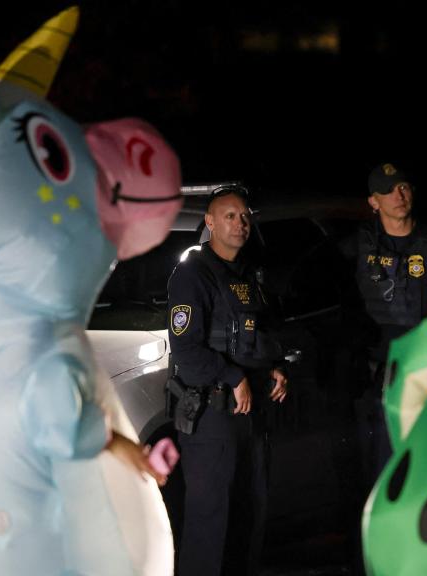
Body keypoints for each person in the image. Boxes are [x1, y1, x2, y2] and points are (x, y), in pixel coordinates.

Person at [166, 185, 288, 576]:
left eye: (245, 216)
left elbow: (253, 336)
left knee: (248, 515)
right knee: (211, 524)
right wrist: (233, 376)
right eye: (230, 216)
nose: (240, 223)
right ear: (211, 222)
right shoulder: (192, 273)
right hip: (212, 416)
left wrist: (272, 367)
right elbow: (187, 352)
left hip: (248, 414)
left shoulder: (249, 273)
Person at [340, 162, 427, 572]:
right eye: (389, 190)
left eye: (404, 186)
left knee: (426, 477)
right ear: (374, 201)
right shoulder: (355, 248)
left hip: (426, 379)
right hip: (375, 381)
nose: (400, 195)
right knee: (374, 479)